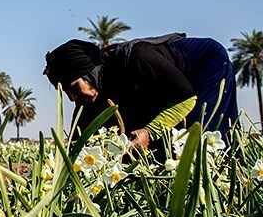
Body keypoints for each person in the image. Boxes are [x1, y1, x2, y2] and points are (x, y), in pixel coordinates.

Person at [43, 33, 238, 151]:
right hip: (166, 88)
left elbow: (185, 99)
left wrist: (150, 132)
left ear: (89, 72)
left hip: (204, 67)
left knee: (200, 137)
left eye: (73, 87)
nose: (72, 97)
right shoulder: (91, 93)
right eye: (65, 93)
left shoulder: (136, 57)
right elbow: (79, 143)